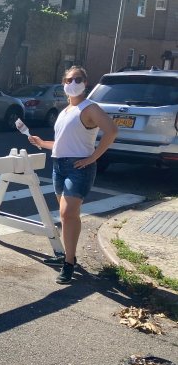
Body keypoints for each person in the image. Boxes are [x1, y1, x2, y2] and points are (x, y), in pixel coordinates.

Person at [28, 66, 118, 284]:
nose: (72, 83)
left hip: (79, 168)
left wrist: (94, 157)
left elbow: (112, 131)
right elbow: (62, 144)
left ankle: (68, 263)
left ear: (85, 83)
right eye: (69, 79)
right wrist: (42, 143)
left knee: (68, 214)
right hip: (59, 166)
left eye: (77, 79)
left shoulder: (90, 108)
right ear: (63, 83)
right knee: (66, 215)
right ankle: (69, 255)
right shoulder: (65, 112)